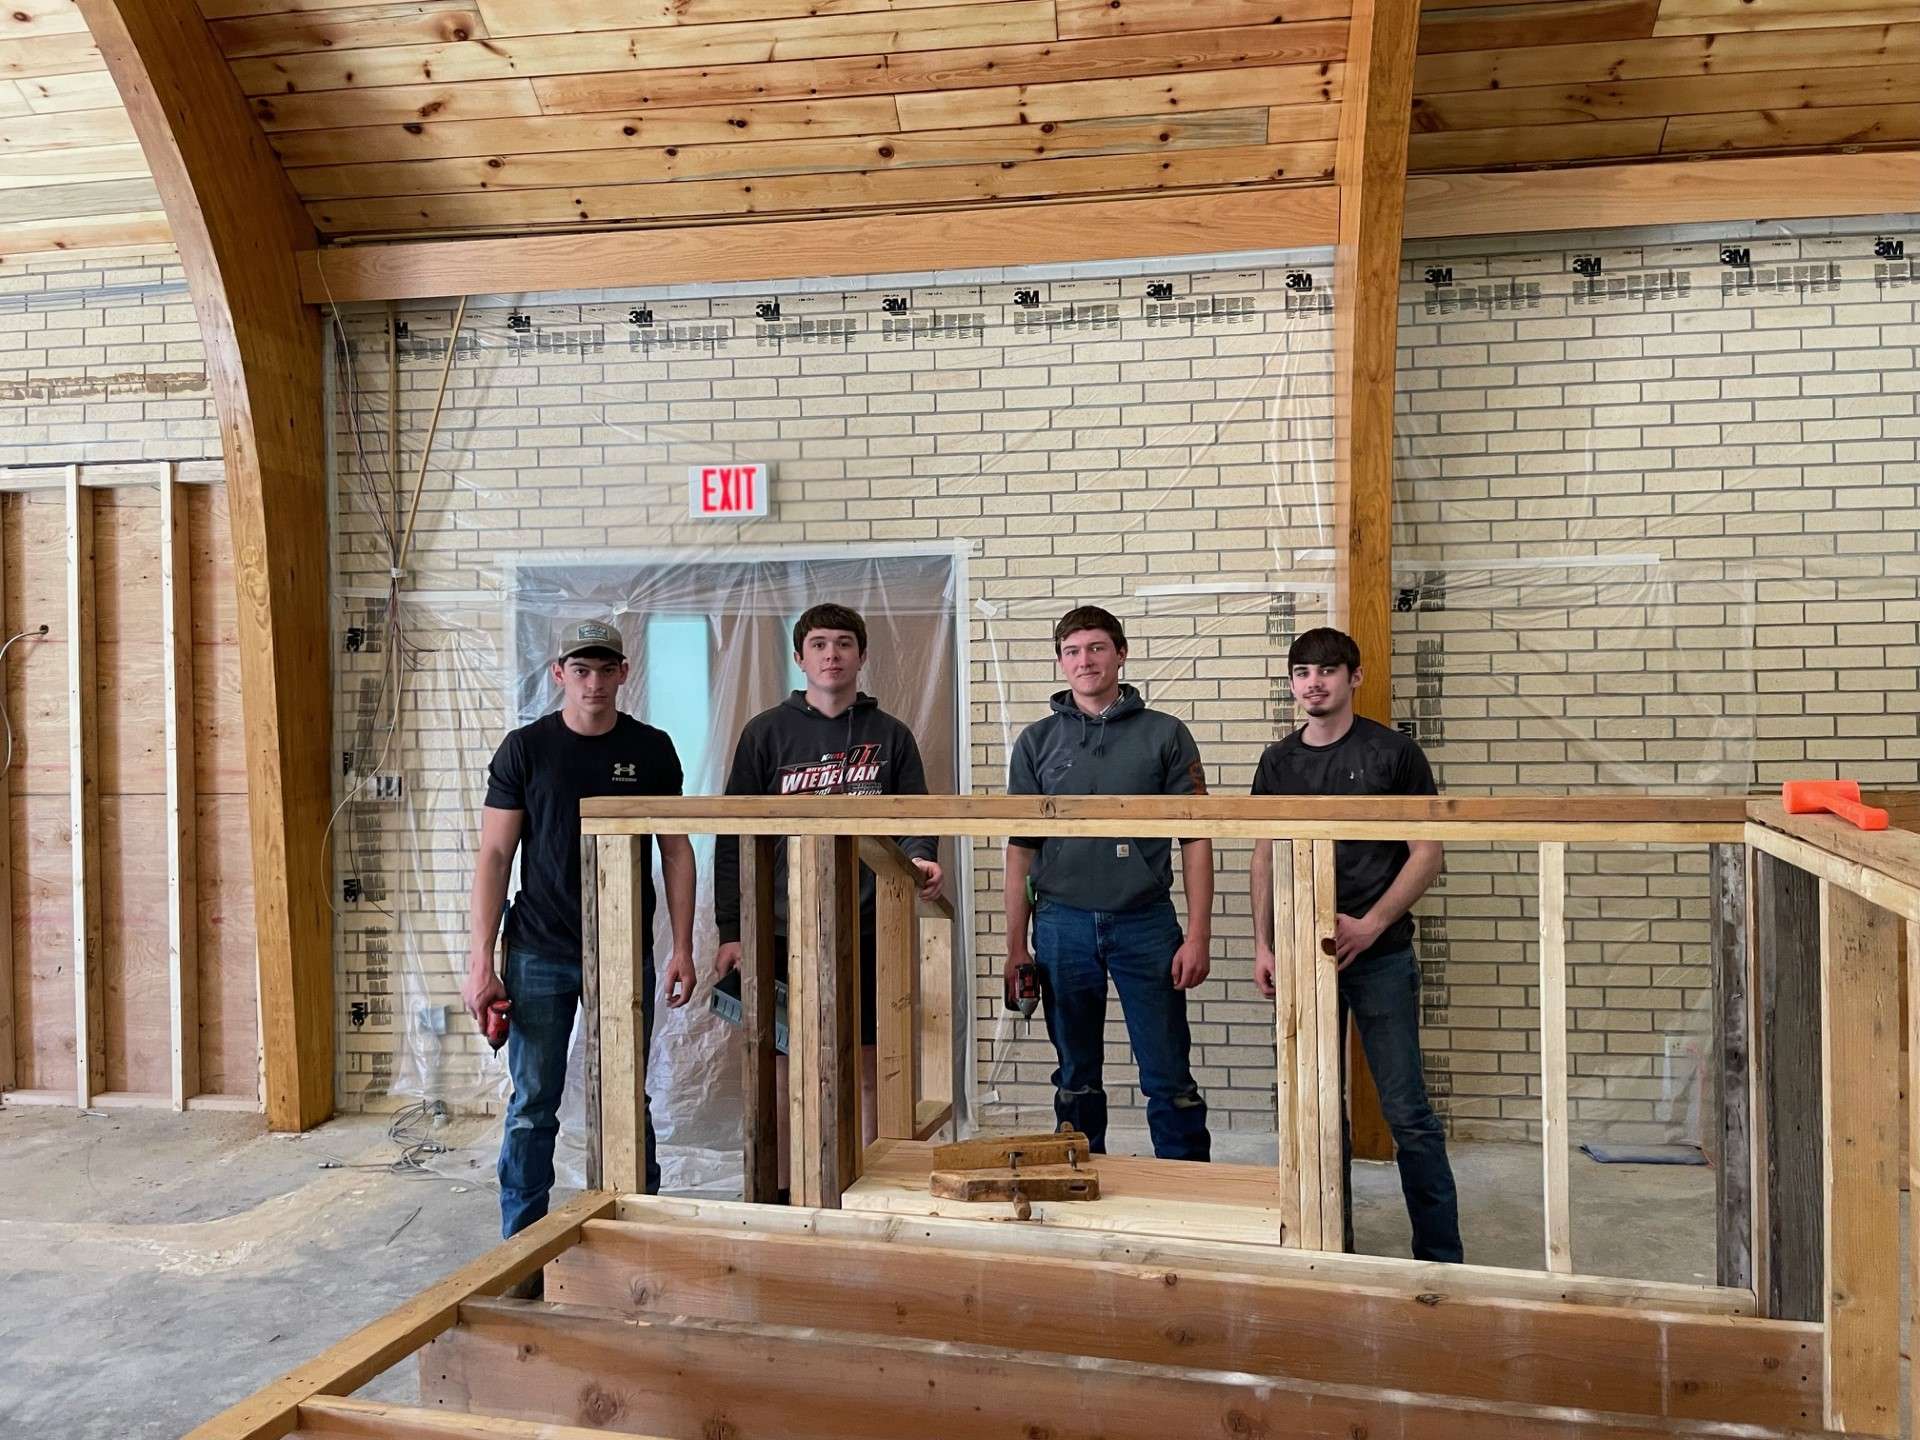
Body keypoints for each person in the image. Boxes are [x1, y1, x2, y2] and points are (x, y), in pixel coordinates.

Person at [463, 618, 697, 1240]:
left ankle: (639, 1232)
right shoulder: (525, 749)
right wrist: (480, 961)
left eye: (606, 670)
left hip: (622, 950)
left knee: (626, 1096)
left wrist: (682, 946)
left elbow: (675, 850)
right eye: (581, 670)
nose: (594, 683)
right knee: (533, 1103)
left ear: (624, 673)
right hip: (540, 948)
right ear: (559, 674)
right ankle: (521, 1243)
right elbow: (494, 856)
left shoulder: (652, 749)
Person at [712, 603, 942, 1192]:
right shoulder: (766, 734)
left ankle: (867, 1186)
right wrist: (733, 930)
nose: (831, 655)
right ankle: (786, 1191)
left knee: (869, 1066)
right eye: (819, 645)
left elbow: (914, 816)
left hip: (868, 929)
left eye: (843, 644)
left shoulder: (889, 736)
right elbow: (732, 838)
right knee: (788, 1070)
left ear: (861, 656)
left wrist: (919, 859)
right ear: (800, 658)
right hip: (784, 931)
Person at [1250, 625, 1461, 1263]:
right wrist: (1265, 944)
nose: (1313, 683)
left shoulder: (1393, 754)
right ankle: (1328, 1246)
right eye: (1302, 673)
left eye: (1327, 671)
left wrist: (1369, 925)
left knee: (1406, 1110)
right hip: (1304, 960)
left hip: (1381, 956)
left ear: (1354, 678)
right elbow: (1263, 856)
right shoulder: (1278, 762)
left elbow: (1427, 853)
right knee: (1313, 1112)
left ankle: (1441, 1258)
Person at [1004, 604, 1213, 1162]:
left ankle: (1188, 1192)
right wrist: (1014, 947)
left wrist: (1197, 935)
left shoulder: (1165, 734)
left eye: (1096, 648)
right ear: (1060, 663)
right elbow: (1019, 849)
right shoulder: (1035, 742)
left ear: (1120, 653)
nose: (1085, 660)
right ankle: (1078, 1178)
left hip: (1145, 923)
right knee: (1074, 1073)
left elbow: (1196, 839)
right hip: (1060, 925)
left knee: (1168, 1072)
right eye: (1072, 651)